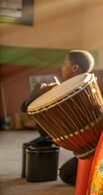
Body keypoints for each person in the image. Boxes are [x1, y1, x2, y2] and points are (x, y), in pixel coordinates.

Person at [21, 49, 95, 186]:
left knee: (66, 174)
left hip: (91, 148)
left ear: (74, 67)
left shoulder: (75, 91)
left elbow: (24, 109)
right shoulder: (86, 86)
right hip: (85, 145)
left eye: (64, 64)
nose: (62, 67)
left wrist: (39, 93)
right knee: (39, 144)